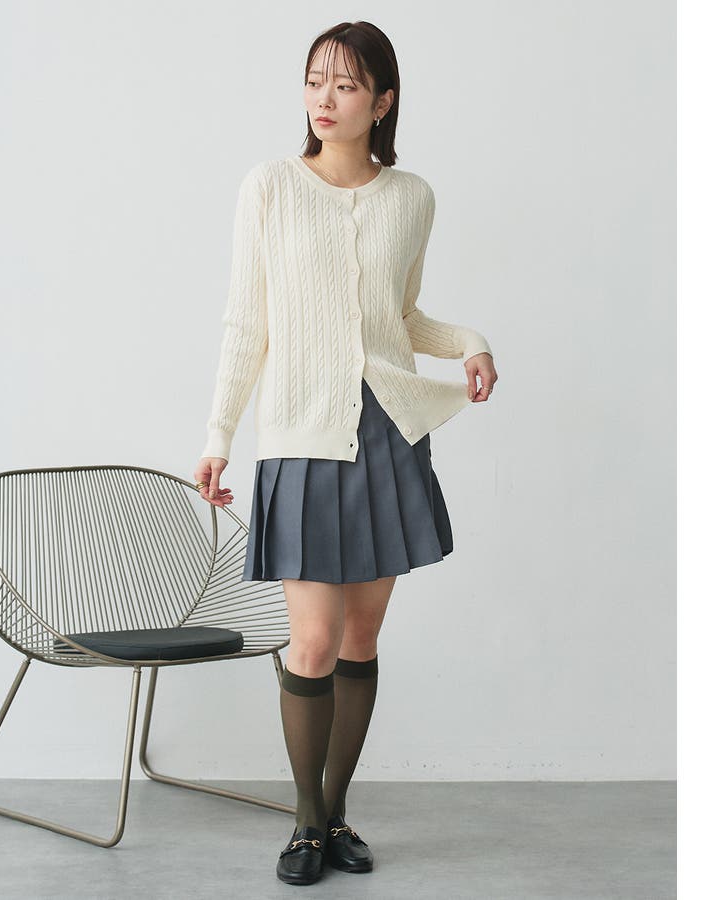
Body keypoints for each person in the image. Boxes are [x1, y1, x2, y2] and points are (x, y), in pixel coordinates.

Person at [193, 21, 499, 886]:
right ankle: (304, 823)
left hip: (388, 437)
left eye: (346, 84)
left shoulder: (412, 197)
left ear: (383, 102)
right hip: (302, 436)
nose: (324, 99)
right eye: (314, 80)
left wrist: (470, 342)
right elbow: (247, 322)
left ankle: (333, 815)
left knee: (360, 638)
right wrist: (218, 437)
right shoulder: (270, 187)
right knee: (314, 642)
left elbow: (401, 318)